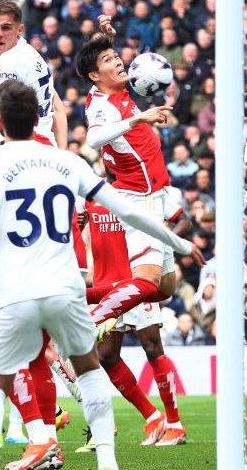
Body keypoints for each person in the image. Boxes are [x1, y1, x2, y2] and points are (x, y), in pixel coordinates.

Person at [0, 80, 203, 470]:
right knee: (89, 368)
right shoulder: (69, 162)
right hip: (66, 284)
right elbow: (131, 212)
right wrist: (180, 245)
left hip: (16, 286)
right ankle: (108, 462)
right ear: (36, 119)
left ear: (2, 123)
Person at [73, 19, 178, 334]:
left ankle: (75, 298)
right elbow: (94, 139)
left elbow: (93, 60)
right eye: (109, 61)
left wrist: (104, 37)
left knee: (166, 287)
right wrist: (139, 118)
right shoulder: (104, 107)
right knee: (147, 281)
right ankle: (92, 323)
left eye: (115, 56)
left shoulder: (103, 90)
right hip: (140, 199)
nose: (119, 61)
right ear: (96, 76)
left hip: (155, 195)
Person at [77, 187, 187, 450]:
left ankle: (175, 424)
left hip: (139, 278)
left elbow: (182, 219)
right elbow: (78, 228)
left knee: (152, 347)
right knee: (106, 355)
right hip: (106, 283)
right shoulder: (89, 191)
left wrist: (162, 245)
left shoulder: (141, 190)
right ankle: (152, 417)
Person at [0, 0, 68, 148]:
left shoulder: (10, 61)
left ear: (19, 30)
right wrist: (62, 151)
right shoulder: (30, 52)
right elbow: (58, 107)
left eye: (6, 28)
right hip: (46, 145)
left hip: (27, 146)